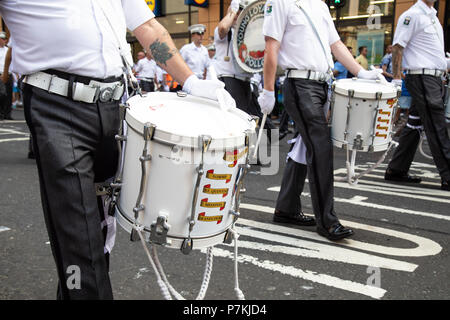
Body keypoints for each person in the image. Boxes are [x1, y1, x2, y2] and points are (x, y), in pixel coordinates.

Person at [0, 0, 234, 300]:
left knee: (100, 229)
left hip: (113, 106)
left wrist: (190, 80)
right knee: (78, 234)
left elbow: (148, 28)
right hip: (56, 104)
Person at [258, 0, 382, 240]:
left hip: (322, 85)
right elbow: (271, 47)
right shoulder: (280, 2)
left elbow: (336, 45)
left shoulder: (320, 6)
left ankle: (286, 208)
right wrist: (268, 90)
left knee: (304, 148)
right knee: (320, 147)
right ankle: (328, 221)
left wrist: (361, 72)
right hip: (300, 85)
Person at [384, 0, 450, 191]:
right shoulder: (411, 15)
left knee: (415, 123)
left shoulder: (433, 17)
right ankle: (448, 175)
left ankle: (396, 169)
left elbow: (431, 54)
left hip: (433, 78)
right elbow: (397, 47)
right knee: (436, 124)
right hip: (422, 77)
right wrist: (396, 79)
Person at [214, 0, 276, 140]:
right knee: (233, 118)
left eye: (242, 11)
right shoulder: (225, 31)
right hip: (229, 79)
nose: (238, 15)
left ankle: (242, 151)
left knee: (244, 118)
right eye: (237, 11)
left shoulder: (246, 33)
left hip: (245, 80)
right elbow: (223, 28)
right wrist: (233, 11)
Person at [0, 31, 13, 120]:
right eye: (2, 38)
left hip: (9, 74)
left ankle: (7, 114)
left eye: (5, 38)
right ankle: (1, 113)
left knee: (8, 95)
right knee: (2, 94)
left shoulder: (7, 49)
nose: (3, 40)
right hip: (0, 74)